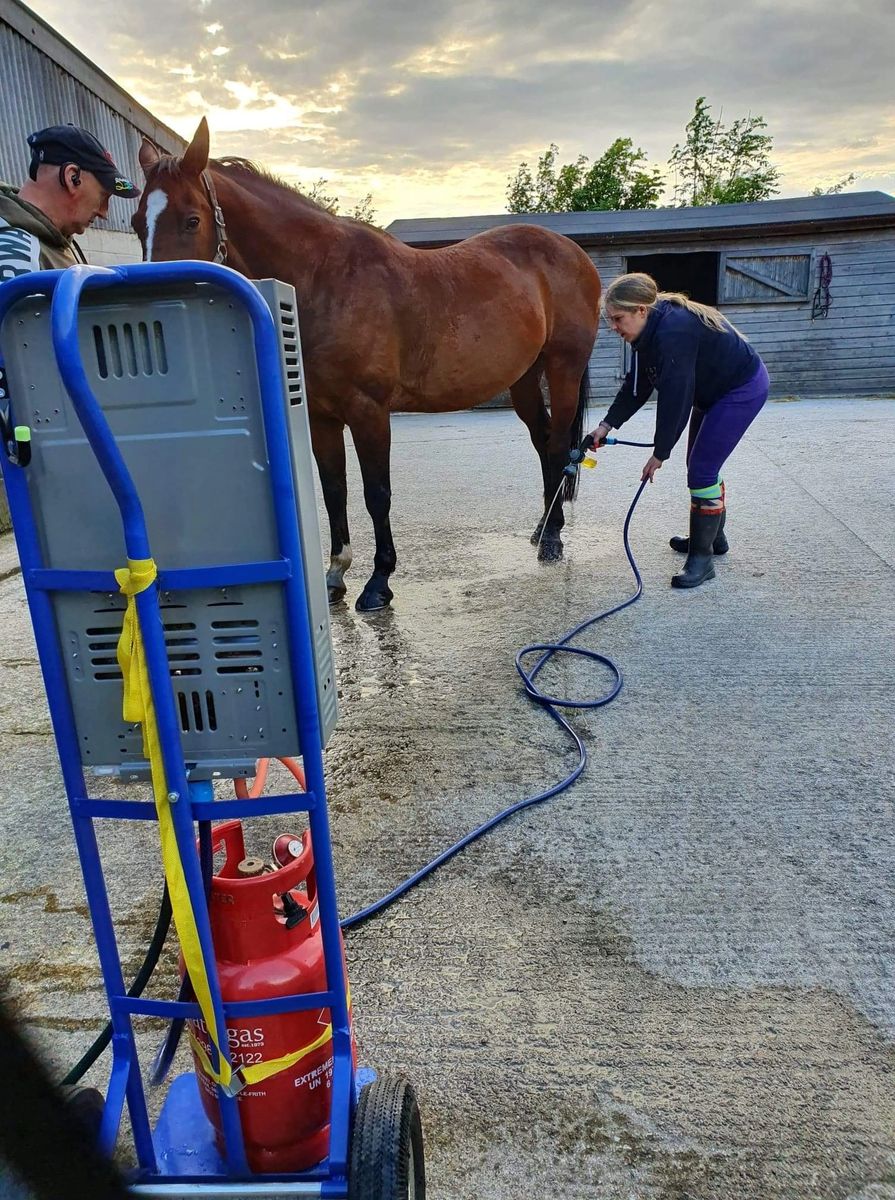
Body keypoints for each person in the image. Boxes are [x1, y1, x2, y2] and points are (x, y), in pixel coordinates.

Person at [591, 272, 769, 589]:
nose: (614, 328)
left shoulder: (674, 331)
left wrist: (659, 454)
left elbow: (676, 398)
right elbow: (637, 386)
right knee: (700, 467)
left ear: (640, 310)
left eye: (618, 319)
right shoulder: (649, 331)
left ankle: (702, 562)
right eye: (611, 321)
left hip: (740, 389)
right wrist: (606, 426)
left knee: (701, 471)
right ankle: (714, 538)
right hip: (711, 391)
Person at [0, 124, 139, 281]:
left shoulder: (53, 241)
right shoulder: (17, 254)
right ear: (72, 178)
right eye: (103, 196)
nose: (104, 212)